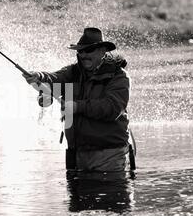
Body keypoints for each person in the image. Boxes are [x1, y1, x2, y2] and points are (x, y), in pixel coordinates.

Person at [24, 28, 133, 179]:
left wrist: (77, 106)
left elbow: (112, 108)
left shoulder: (119, 76)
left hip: (110, 155)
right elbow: (54, 79)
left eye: (89, 50)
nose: (84, 55)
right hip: (76, 156)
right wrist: (39, 77)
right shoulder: (72, 72)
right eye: (80, 51)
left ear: (103, 51)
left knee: (110, 200)